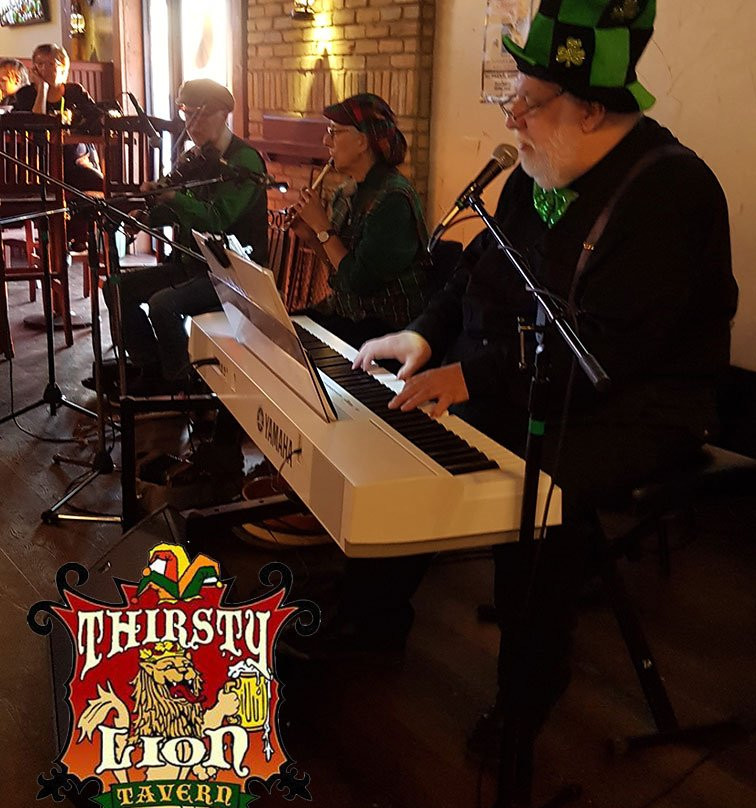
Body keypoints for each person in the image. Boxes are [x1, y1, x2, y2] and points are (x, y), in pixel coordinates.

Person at [352, 0, 738, 800]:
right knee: (419, 429)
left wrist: (472, 378)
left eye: (527, 100)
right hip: (523, 376)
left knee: (535, 482)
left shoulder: (672, 191)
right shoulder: (539, 171)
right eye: (512, 97)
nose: (511, 117)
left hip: (635, 404)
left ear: (592, 108)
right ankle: (374, 616)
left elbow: (614, 347)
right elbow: (476, 271)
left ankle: (525, 698)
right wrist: (425, 335)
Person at [100, 78, 268, 393]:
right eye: (186, 114)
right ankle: (151, 369)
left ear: (224, 114)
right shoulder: (195, 157)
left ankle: (183, 385)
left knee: (163, 304)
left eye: (200, 115)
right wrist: (147, 217)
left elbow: (218, 218)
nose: (191, 124)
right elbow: (179, 211)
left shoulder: (243, 161)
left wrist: (173, 197)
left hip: (232, 273)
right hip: (192, 265)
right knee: (116, 288)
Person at [288, 92, 432, 348]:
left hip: (385, 330)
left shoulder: (393, 200)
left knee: (297, 347)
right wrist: (311, 235)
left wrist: (322, 227)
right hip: (348, 316)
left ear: (363, 142)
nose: (326, 140)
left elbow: (358, 282)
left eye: (334, 132)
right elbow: (339, 269)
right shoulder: (346, 191)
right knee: (282, 333)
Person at [8, 44, 103, 248]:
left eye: (51, 63)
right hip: (37, 165)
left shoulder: (75, 92)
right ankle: (62, 243)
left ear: (63, 67)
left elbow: (95, 119)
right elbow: (34, 125)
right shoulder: (26, 94)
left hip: (75, 162)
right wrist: (42, 90)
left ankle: (77, 238)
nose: (45, 69)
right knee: (54, 194)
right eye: (39, 64)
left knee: (101, 186)